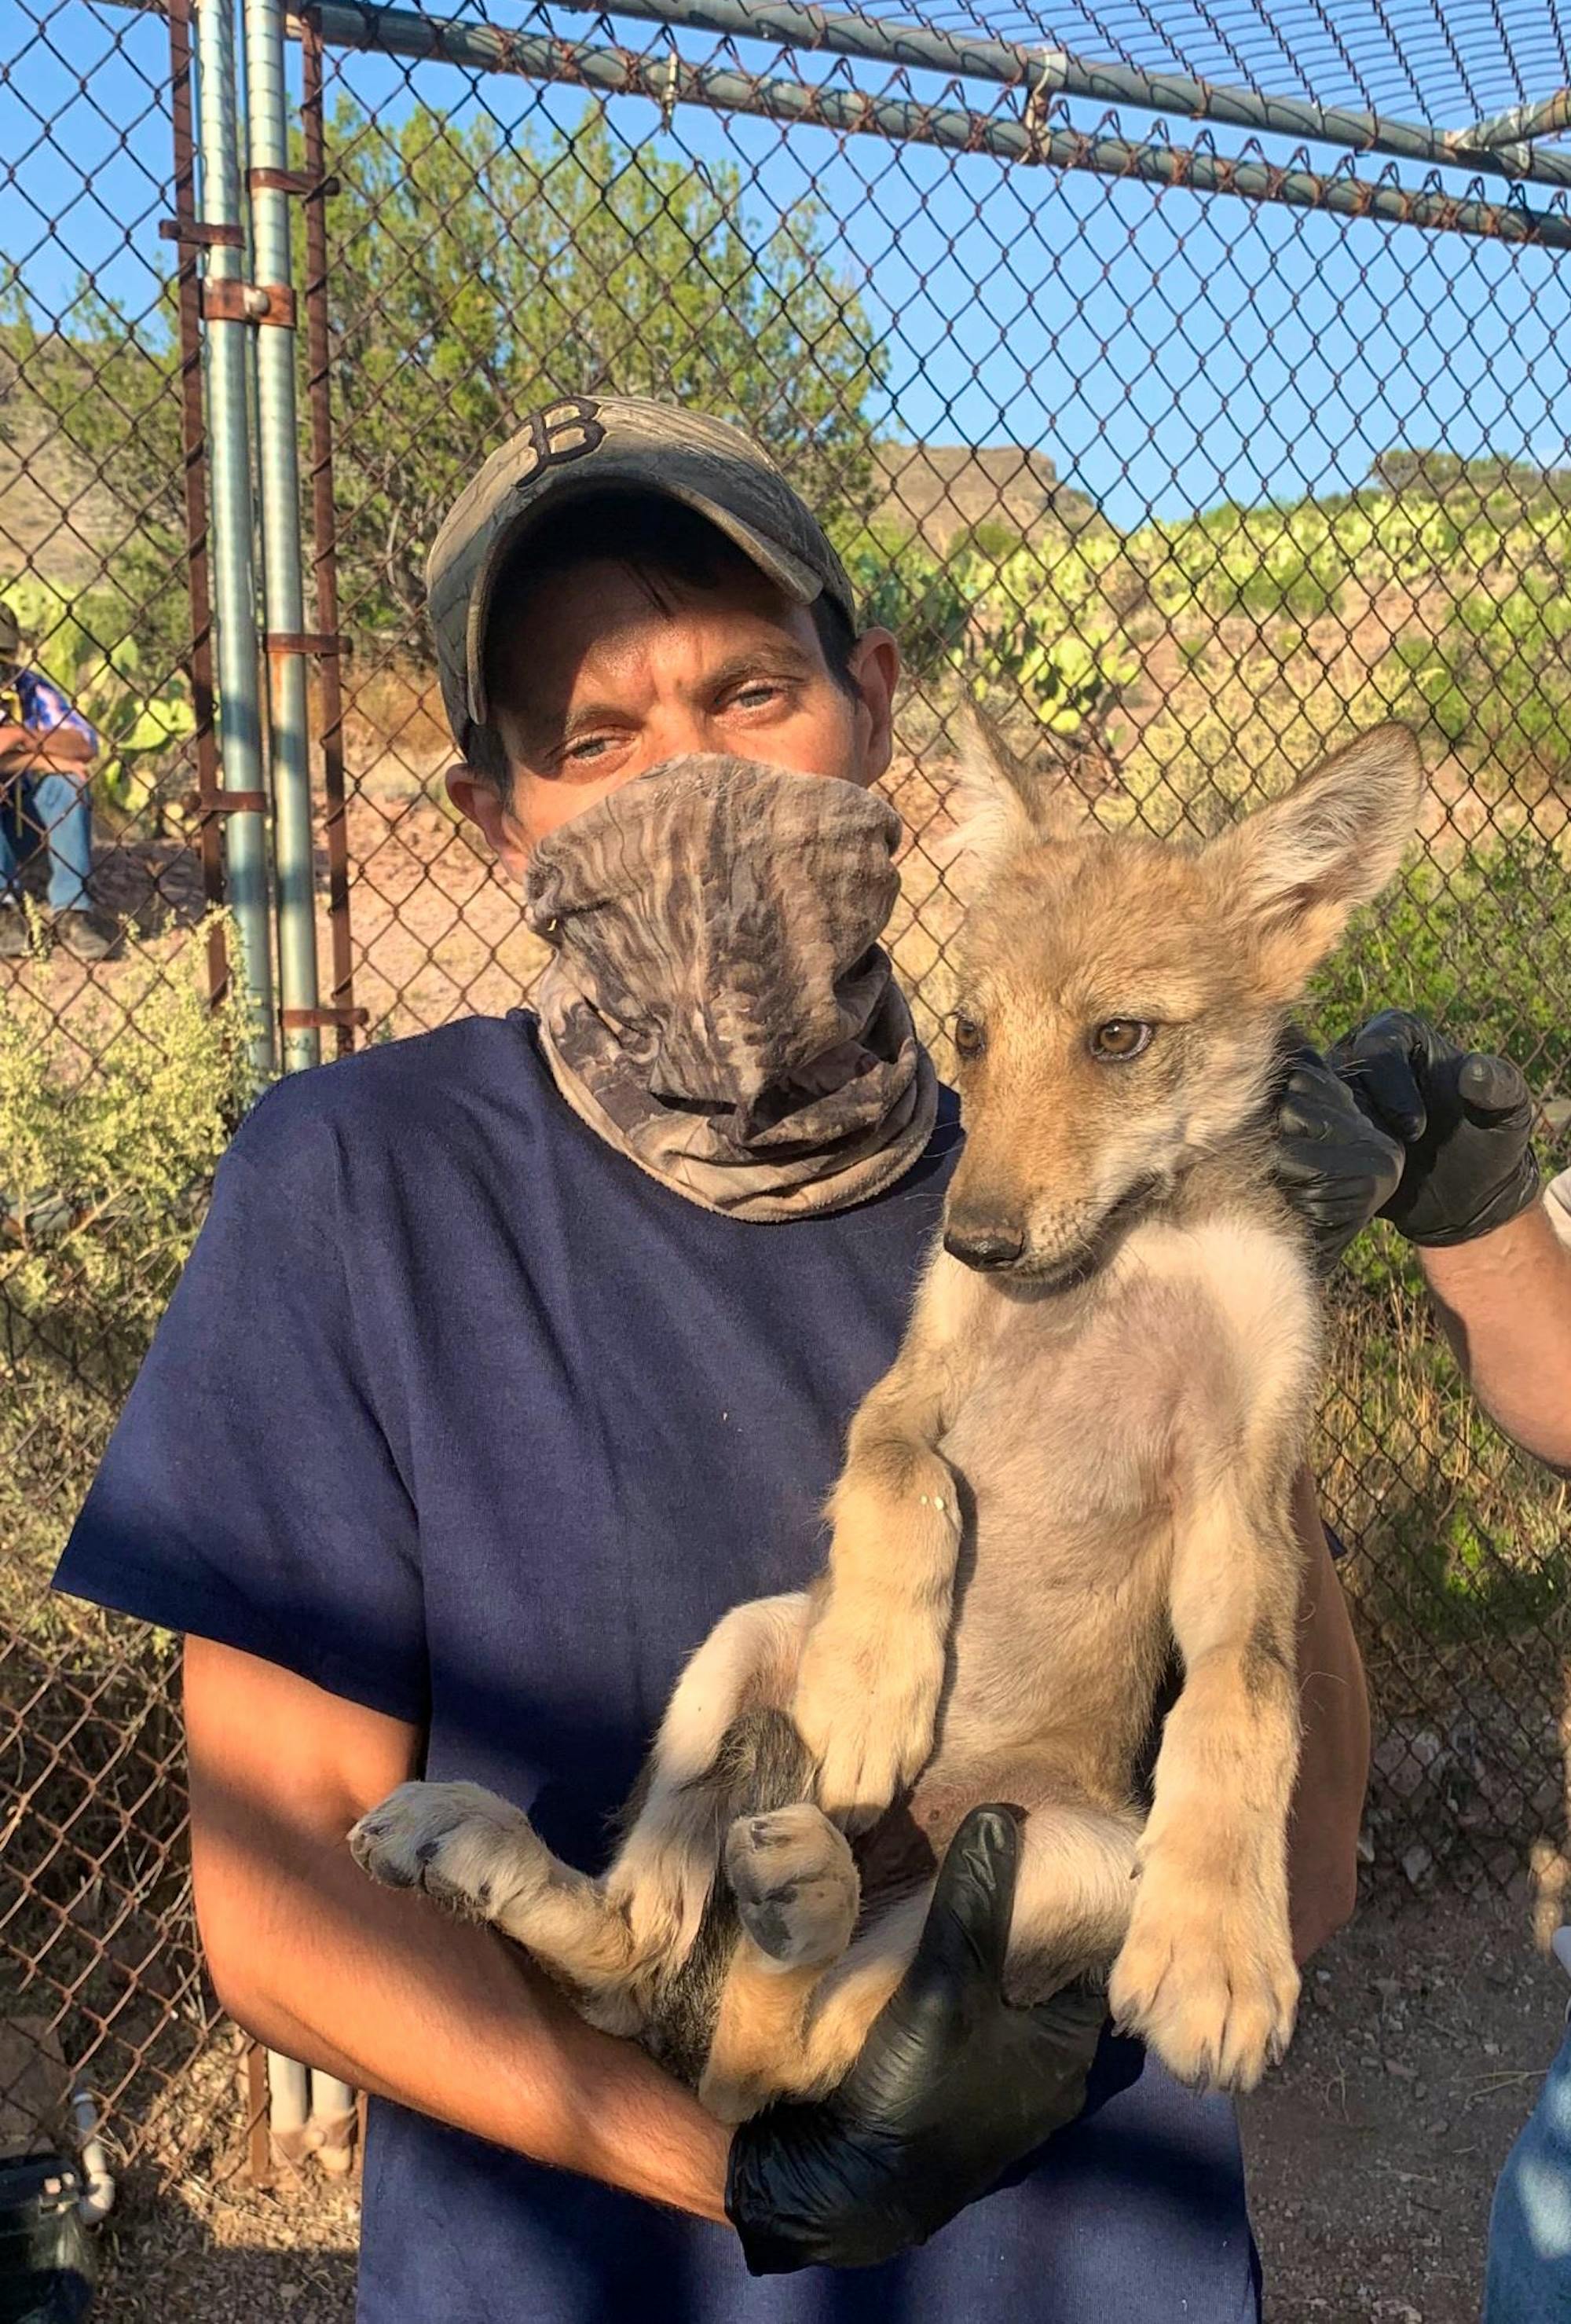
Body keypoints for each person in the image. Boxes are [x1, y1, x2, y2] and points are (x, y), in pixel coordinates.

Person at [57, 394, 1386, 2322]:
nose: (689, 784)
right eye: (591, 737)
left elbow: (1306, 1845)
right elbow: (278, 1903)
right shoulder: (367, 1187)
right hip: (608, 2268)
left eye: (750, 692)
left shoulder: (1094, 1194)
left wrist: (1272, 1276)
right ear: (494, 817)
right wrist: (757, 2181)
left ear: (871, 708)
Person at [0, 599, 117, 961]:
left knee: (68, 782)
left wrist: (23, 739)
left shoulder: (29, 687)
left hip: (24, 817)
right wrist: (41, 759)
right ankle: (4, 911)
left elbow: (84, 744)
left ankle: (72, 913)